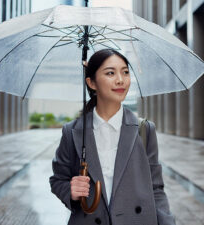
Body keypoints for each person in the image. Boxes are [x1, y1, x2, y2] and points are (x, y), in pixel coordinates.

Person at [49, 49, 176, 225]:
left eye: (125, 72)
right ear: (91, 83)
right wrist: (70, 190)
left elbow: (156, 188)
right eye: (110, 73)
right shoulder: (72, 132)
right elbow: (58, 179)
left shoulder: (144, 130)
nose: (120, 80)